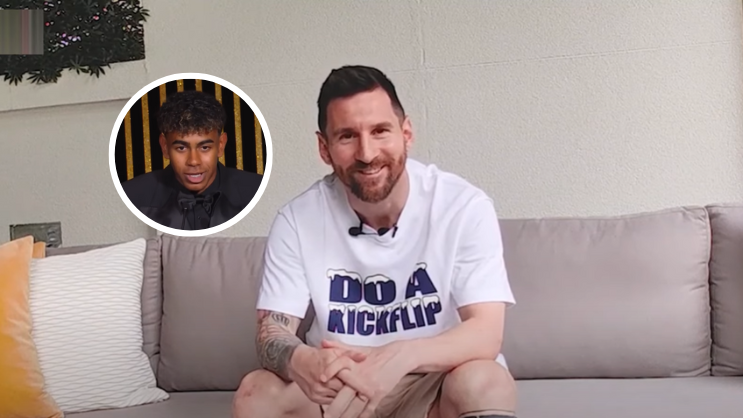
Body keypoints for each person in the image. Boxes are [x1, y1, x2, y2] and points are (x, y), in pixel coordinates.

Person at [233, 65, 517, 418]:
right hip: (339, 386)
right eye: (347, 136)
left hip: (431, 381)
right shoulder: (296, 220)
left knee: (486, 381)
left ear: (406, 133)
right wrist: (300, 360)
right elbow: (272, 332)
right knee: (256, 392)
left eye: (380, 131)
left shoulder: (463, 206)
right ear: (324, 148)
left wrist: (401, 356)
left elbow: (486, 333)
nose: (366, 153)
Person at [122, 90, 263, 231]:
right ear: (164, 147)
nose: (194, 161)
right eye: (181, 148)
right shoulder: (131, 196)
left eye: (205, 148)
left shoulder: (257, 190)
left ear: (221, 145)